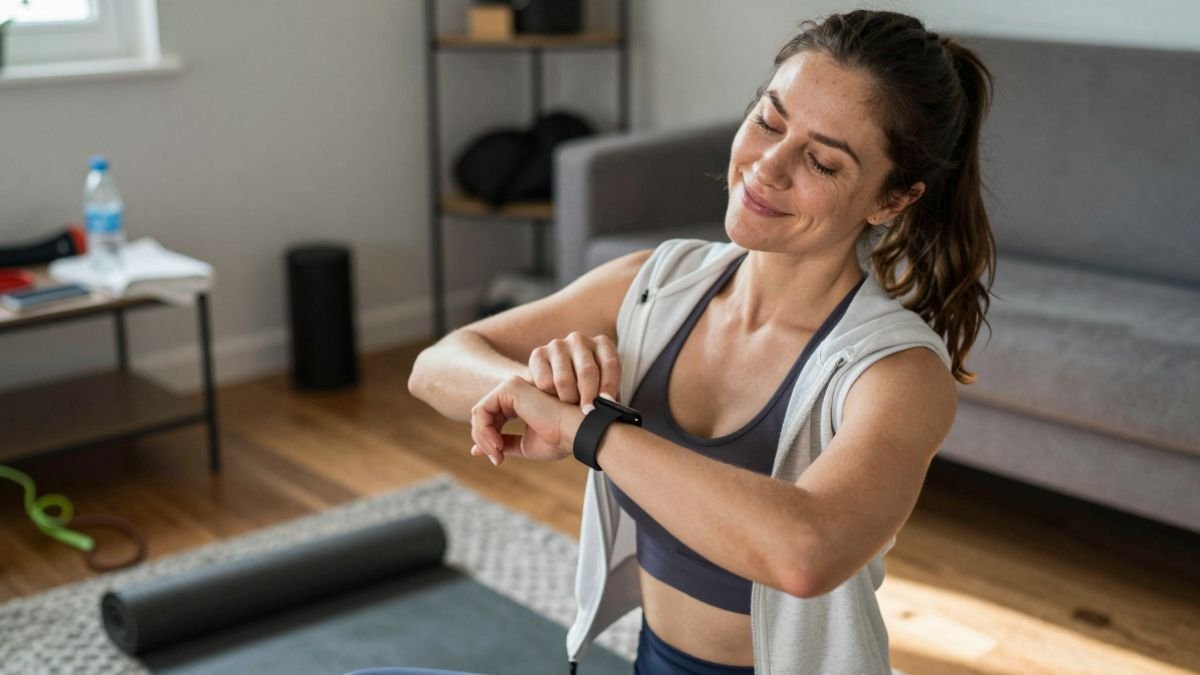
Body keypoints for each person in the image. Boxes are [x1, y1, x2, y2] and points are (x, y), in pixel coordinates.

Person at [408, 9, 996, 675]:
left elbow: (804, 552)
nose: (766, 168)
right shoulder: (657, 283)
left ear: (890, 201)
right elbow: (436, 365)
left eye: (822, 161)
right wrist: (528, 390)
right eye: (769, 121)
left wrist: (588, 430)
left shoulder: (896, 371)